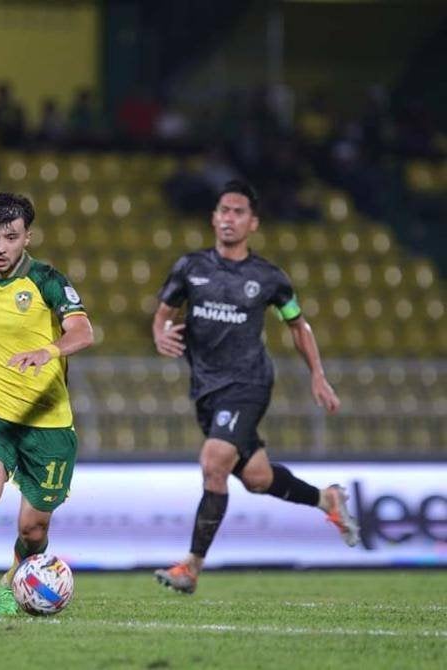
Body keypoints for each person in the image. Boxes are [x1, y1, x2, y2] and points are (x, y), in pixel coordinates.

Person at [151, 180, 359, 594]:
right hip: (207, 391)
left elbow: (298, 325)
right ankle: (327, 499)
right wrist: (159, 333)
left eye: (238, 212)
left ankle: (191, 567)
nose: (229, 218)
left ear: (253, 223)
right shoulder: (190, 268)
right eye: (223, 210)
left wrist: (317, 374)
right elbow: (162, 314)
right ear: (213, 217)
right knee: (258, 478)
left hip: (249, 384)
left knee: (214, 463)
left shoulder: (269, 279)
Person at [0, 193, 94, 614]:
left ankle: (13, 578)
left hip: (49, 421)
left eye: (10, 237)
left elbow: (83, 332)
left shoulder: (48, 280)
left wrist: (49, 351)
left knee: (33, 527)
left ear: (28, 236)